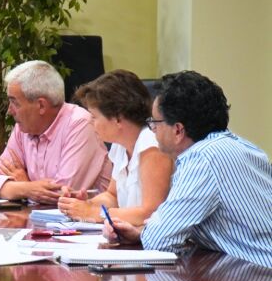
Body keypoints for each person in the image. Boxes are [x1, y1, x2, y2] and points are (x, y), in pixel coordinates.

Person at [106, 71, 272, 267]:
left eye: (155, 123)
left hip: (259, 275)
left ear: (178, 130)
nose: (153, 130)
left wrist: (148, 232)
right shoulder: (242, 146)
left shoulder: (202, 159)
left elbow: (159, 240)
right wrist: (140, 233)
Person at [0, 60, 111, 203]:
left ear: (41, 105)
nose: (9, 110)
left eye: (15, 102)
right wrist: (28, 188)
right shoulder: (23, 128)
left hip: (91, 216)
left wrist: (23, 186)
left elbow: (62, 194)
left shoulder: (79, 124)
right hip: (40, 215)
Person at [58, 70, 174, 225]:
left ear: (118, 118)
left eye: (94, 116)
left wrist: (93, 212)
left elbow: (150, 212)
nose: (90, 122)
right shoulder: (120, 145)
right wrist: (84, 204)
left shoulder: (151, 145)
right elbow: (112, 196)